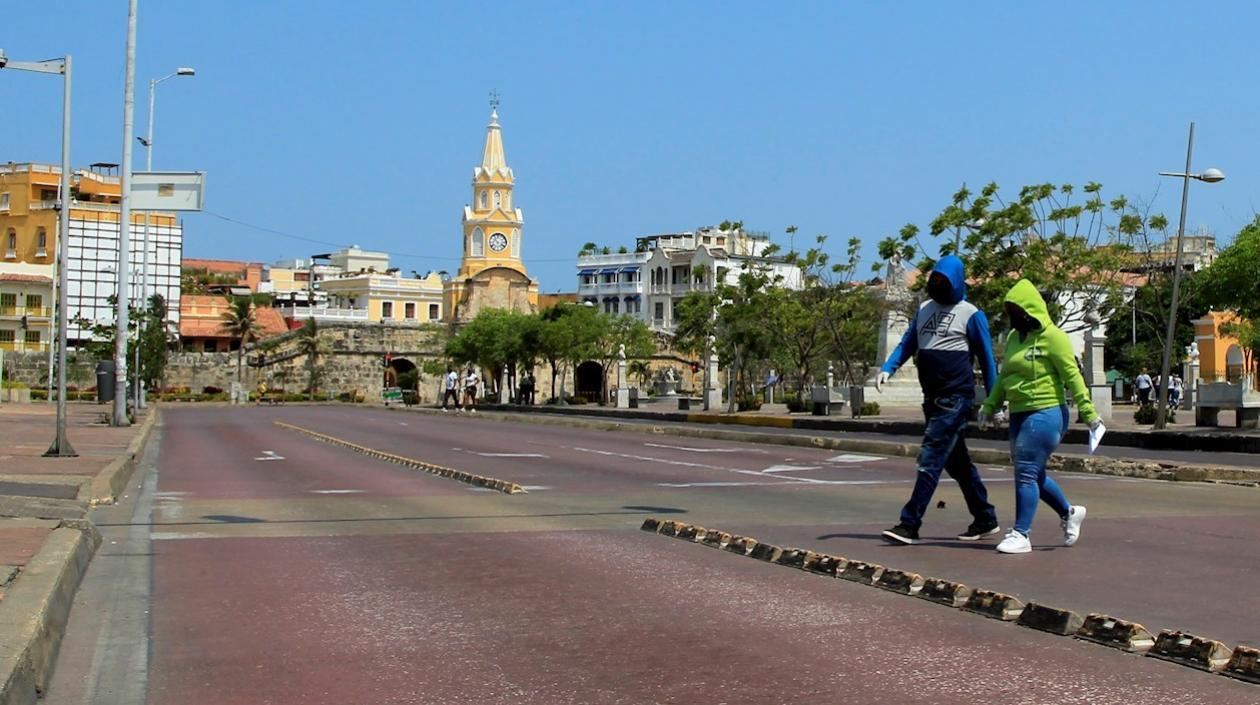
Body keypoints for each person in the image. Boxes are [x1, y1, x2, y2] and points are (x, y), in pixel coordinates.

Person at [877, 255, 1001, 545]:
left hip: (956, 398)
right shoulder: (923, 310)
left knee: (930, 457)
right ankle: (985, 517)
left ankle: (910, 523)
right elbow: (908, 343)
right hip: (931, 397)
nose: (937, 286)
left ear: (956, 282)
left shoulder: (971, 314)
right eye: (934, 281)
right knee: (957, 463)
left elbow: (987, 360)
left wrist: (994, 402)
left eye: (943, 282)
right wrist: (887, 368)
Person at [980, 279, 1100, 554]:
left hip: (1047, 412)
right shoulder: (1013, 339)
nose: (1012, 318)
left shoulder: (1053, 337)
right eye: (1009, 312)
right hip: (1019, 412)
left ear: (1030, 310)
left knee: (1025, 471)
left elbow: (1073, 376)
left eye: (1016, 311)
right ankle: (1069, 512)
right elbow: (1005, 376)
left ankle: (1021, 533)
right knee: (1032, 473)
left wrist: (1089, 412)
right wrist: (990, 405)